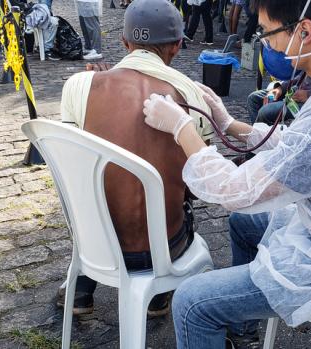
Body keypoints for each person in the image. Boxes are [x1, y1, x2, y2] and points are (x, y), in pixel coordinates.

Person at [141, 0, 311, 347]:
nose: (266, 44)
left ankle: (214, 321)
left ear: (305, 31)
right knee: (244, 226)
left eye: (267, 32)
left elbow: (235, 190)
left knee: (192, 302)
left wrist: (181, 128)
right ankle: (242, 333)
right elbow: (300, 149)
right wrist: (230, 124)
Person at [56, 0, 214, 316]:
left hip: (96, 244)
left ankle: (82, 285)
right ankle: (158, 291)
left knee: (94, 186)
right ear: (177, 46)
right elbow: (200, 185)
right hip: (164, 249)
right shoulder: (193, 94)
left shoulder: (79, 85)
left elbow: (71, 165)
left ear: (124, 42)